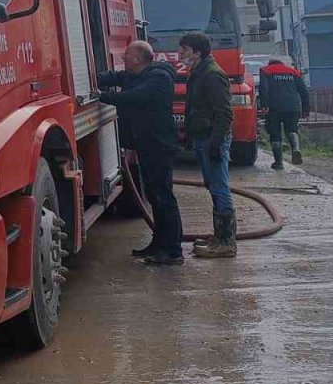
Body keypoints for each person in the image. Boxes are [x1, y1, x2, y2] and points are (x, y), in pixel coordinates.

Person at [99, 41, 184, 265]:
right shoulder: (133, 75)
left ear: (138, 59)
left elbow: (133, 98)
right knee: (155, 198)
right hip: (146, 145)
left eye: (127, 55)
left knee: (164, 198)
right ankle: (159, 244)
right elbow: (110, 78)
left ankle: (173, 251)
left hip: (159, 146)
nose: (123, 58)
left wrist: (100, 96)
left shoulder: (159, 78)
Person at [179, 32, 236, 259]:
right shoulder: (199, 73)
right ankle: (219, 237)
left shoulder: (212, 75)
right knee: (213, 185)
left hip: (212, 138)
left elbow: (224, 113)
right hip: (204, 137)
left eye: (184, 50)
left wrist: (216, 142)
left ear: (197, 51)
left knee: (220, 187)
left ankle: (226, 242)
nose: (180, 54)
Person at [259, 58, 310, 169]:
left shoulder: (265, 71)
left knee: (275, 134)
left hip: (274, 108)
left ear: (270, 64)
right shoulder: (293, 72)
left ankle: (279, 163)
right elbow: (304, 91)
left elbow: (264, 89)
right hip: (293, 107)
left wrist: (264, 105)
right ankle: (296, 149)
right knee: (292, 129)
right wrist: (306, 109)